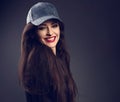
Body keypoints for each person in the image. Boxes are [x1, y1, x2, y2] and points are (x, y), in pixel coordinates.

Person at [18, 2, 77, 102]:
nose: (50, 32)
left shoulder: (59, 58)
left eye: (54, 26)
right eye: (42, 27)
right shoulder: (38, 64)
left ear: (59, 28)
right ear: (33, 33)